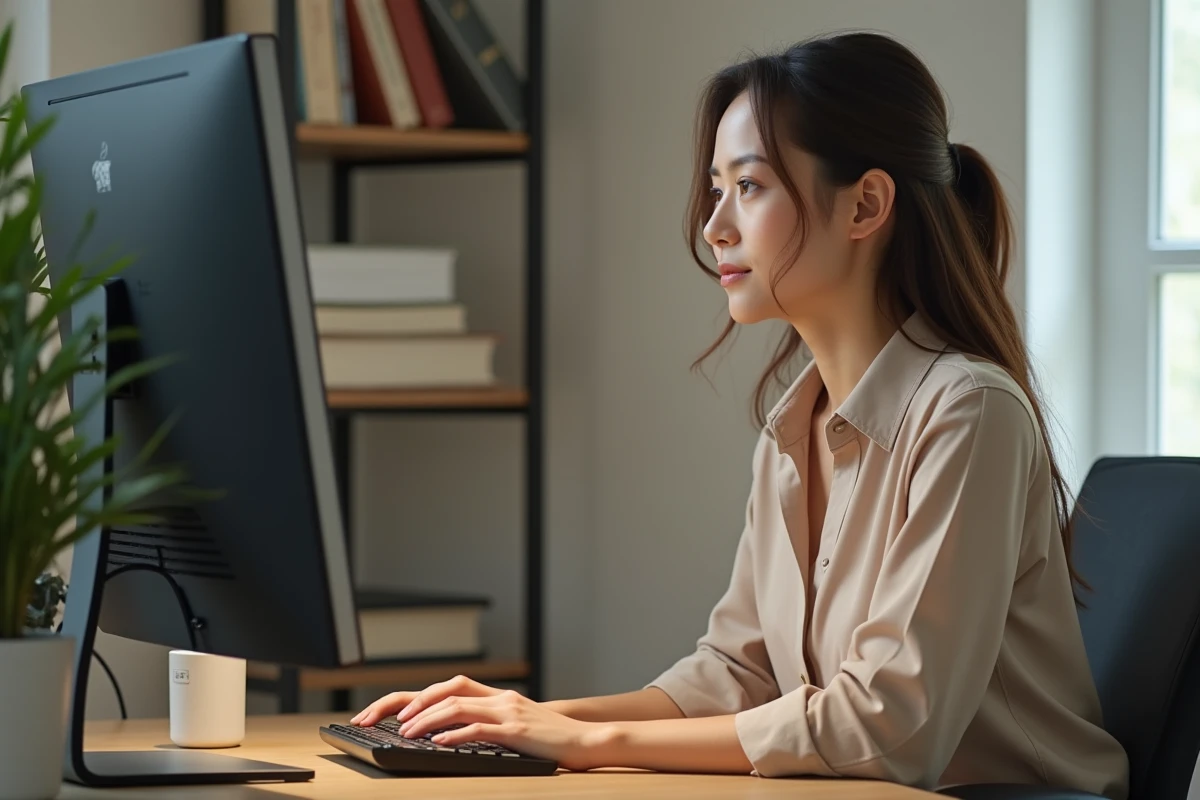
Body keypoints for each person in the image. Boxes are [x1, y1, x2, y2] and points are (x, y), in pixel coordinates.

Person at [351, 31, 1130, 797]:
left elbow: (888, 727)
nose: (714, 226)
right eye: (717, 189)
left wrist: (587, 744)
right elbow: (738, 674)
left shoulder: (970, 413)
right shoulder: (792, 428)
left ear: (865, 205)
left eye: (749, 187)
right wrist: (525, 719)